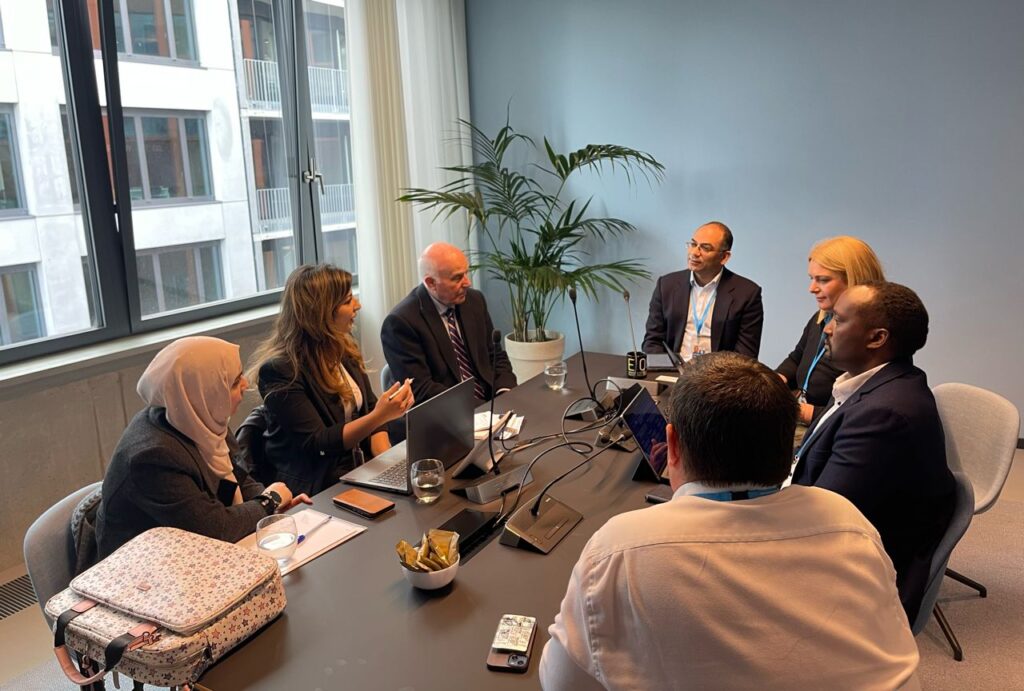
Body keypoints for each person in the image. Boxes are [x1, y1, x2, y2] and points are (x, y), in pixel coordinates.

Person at [540, 352, 920, 691]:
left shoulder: (619, 548)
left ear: (672, 445)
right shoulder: (849, 522)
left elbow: (560, 682)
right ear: (788, 444)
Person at [792, 281, 955, 620]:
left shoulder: (885, 414)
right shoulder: (867, 383)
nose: (827, 329)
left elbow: (823, 518)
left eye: (838, 320)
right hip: (835, 534)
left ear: (877, 338)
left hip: (855, 579)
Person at [95, 337, 311, 559]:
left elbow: (237, 477)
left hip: (186, 555)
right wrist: (268, 501)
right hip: (142, 568)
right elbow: (215, 529)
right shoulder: (152, 458)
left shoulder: (198, 417)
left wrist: (273, 510)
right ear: (204, 392)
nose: (246, 384)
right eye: (234, 382)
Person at [248, 264, 414, 496]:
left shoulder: (341, 347)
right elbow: (317, 443)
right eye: (347, 301)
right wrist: (380, 415)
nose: (358, 305)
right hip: (318, 486)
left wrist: (388, 460)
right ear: (321, 312)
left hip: (358, 470)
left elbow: (368, 407)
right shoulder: (279, 371)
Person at [381, 242, 516, 405]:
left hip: (490, 403)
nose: (467, 283)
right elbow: (421, 389)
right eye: (457, 278)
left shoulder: (474, 300)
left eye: (466, 273)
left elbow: (495, 357)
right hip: (446, 411)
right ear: (431, 283)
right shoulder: (401, 323)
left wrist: (505, 393)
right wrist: (482, 409)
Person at [777, 235, 885, 426]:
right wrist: (775, 380)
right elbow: (796, 358)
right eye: (812, 279)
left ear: (853, 280)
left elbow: (864, 413)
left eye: (823, 280)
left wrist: (806, 412)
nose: (812, 288)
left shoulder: (872, 336)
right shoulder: (821, 317)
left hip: (829, 427)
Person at [642, 221, 763, 360]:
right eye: (693, 244)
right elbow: (652, 341)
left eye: (705, 248)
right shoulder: (666, 285)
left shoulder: (747, 293)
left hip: (718, 372)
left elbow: (745, 355)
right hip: (672, 369)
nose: (694, 253)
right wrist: (666, 369)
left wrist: (711, 373)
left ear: (724, 257)